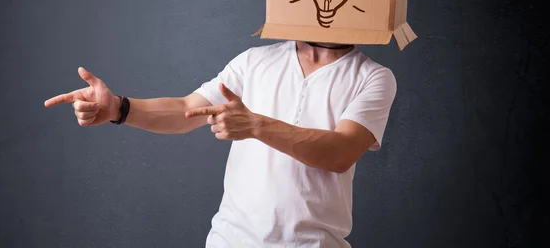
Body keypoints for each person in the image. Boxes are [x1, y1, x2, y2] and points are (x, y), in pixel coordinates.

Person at [44, 40, 397, 247]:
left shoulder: (373, 77)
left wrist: (256, 125)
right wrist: (120, 108)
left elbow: (341, 152)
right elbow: (186, 110)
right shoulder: (255, 61)